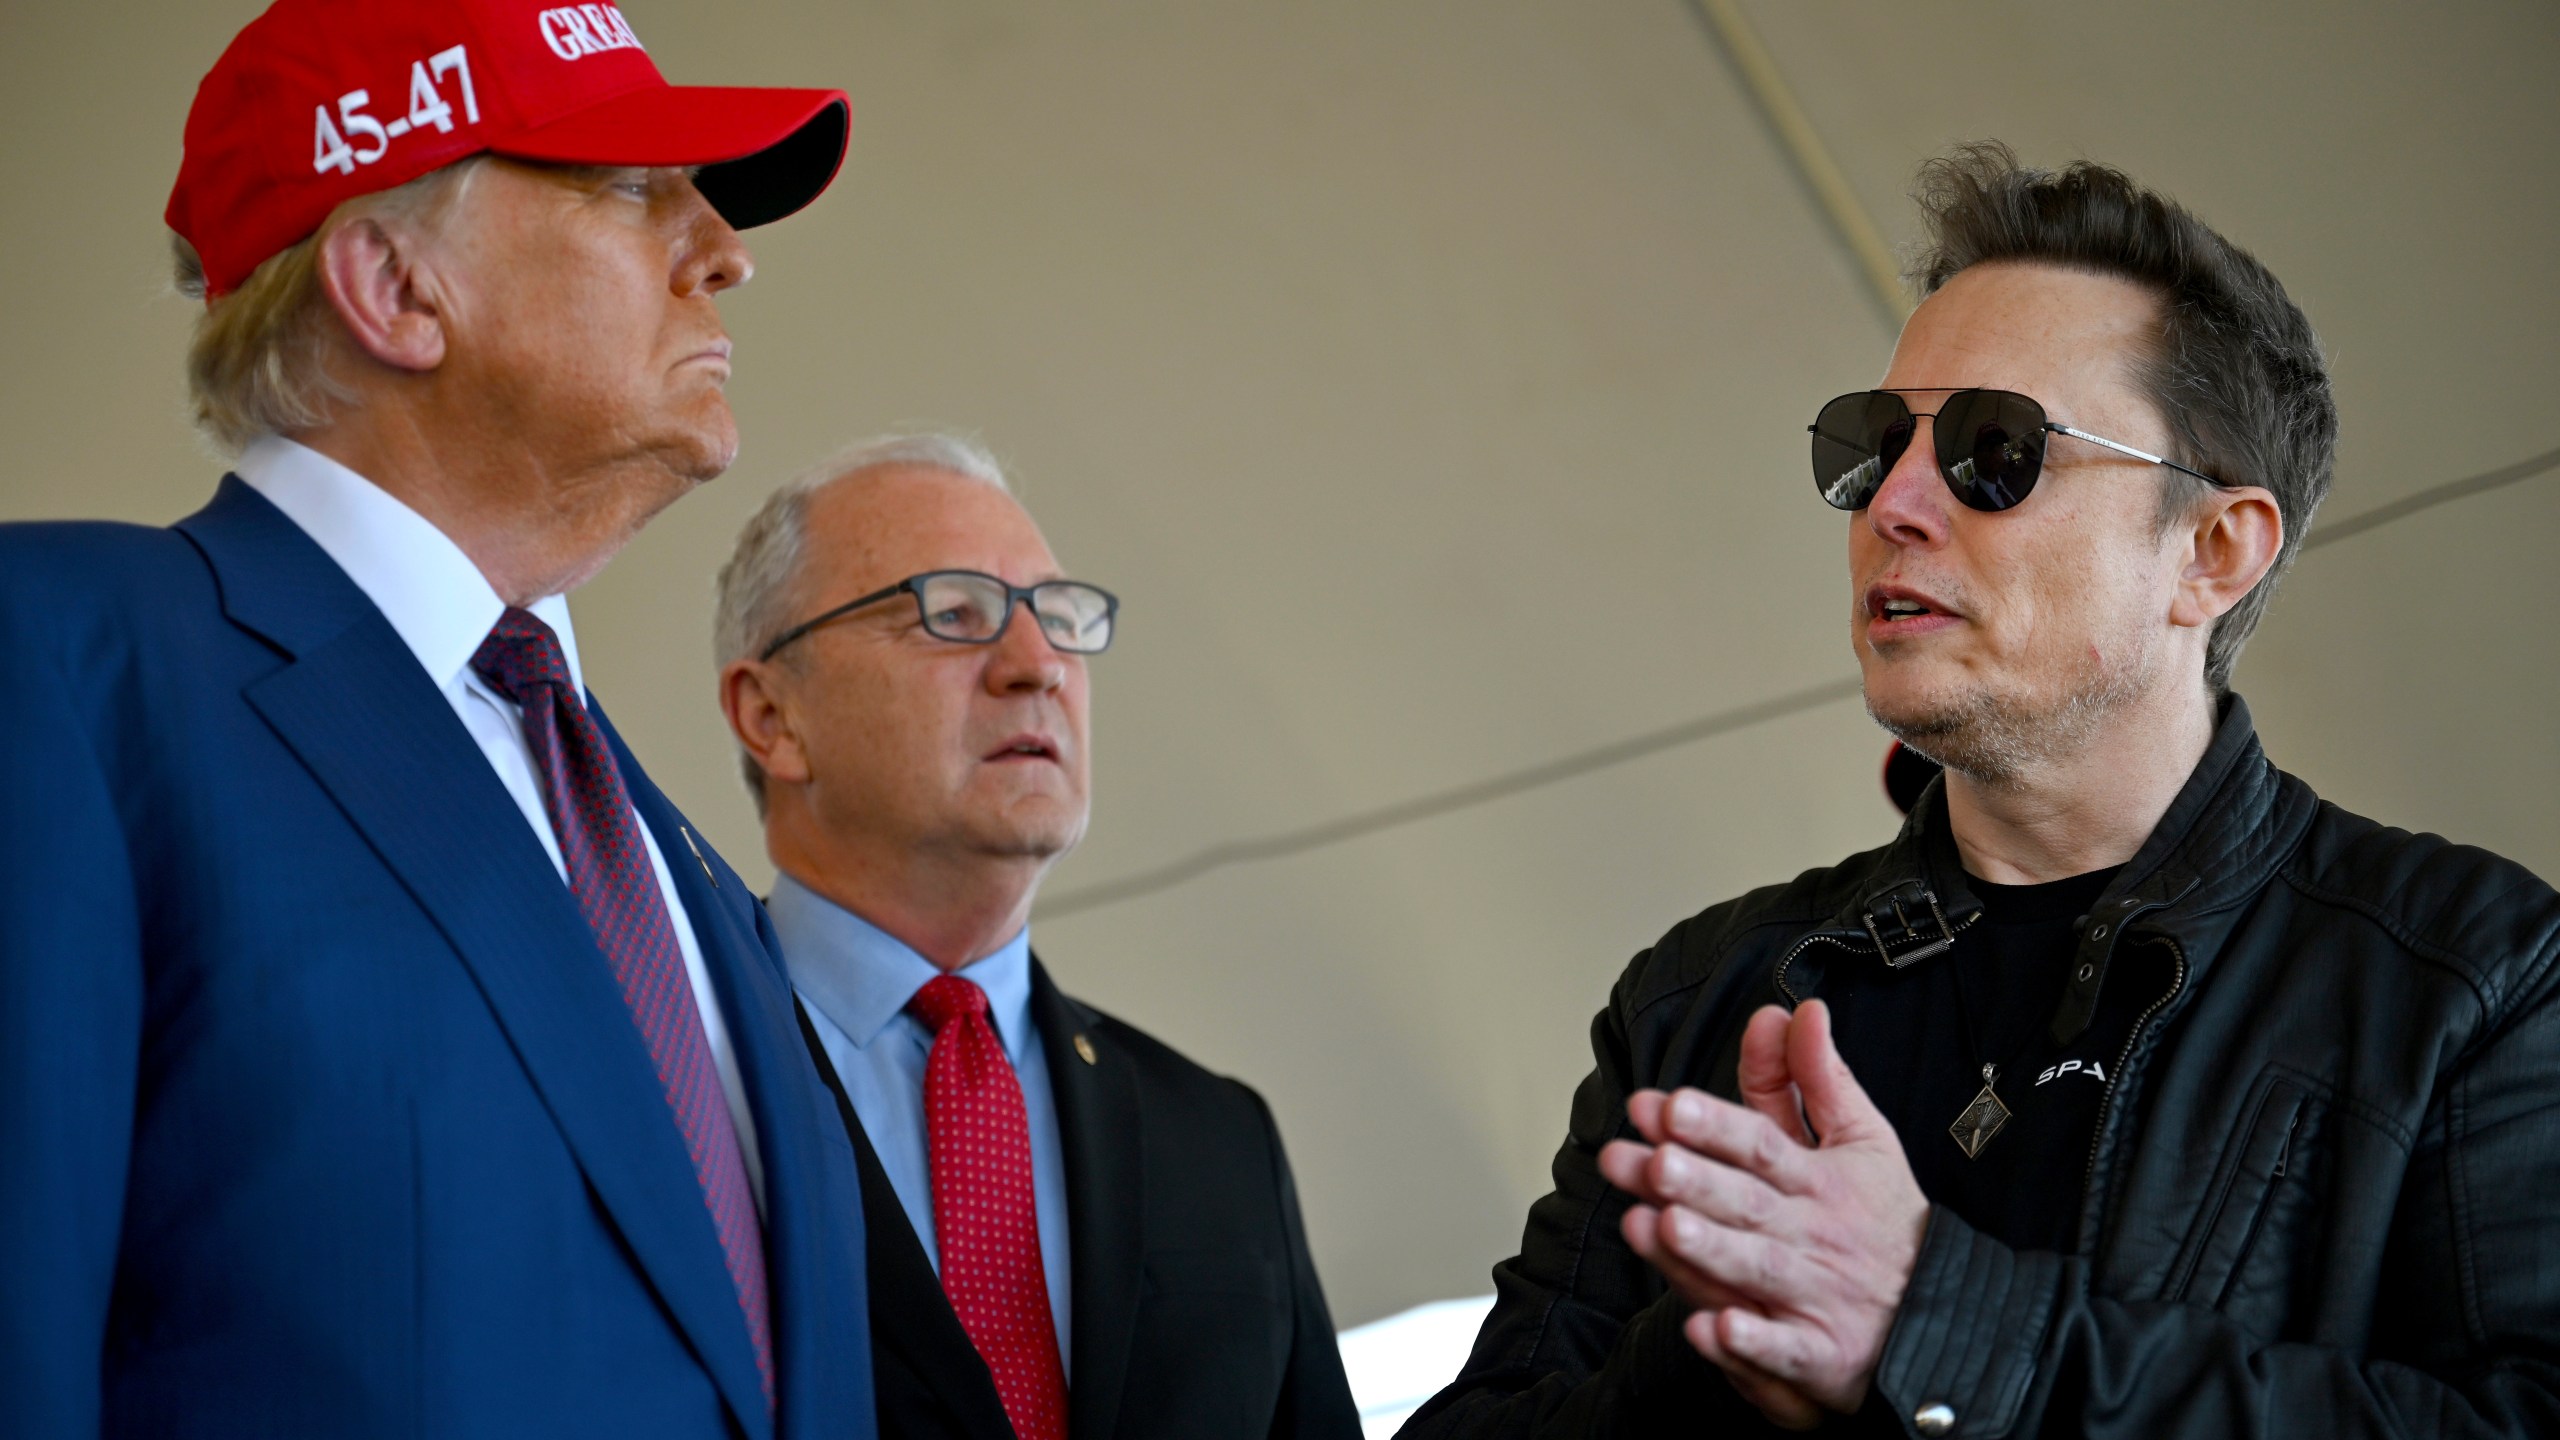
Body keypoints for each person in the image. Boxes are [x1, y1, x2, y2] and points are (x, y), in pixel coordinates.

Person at [1405, 143, 2560, 1436]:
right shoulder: (1703, 997)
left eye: (1993, 451)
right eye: (1869, 445)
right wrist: (1725, 1344)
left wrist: (1930, 1323)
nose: (1892, 503)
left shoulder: (2476, 979)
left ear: (2213, 553)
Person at [0, 2, 875, 1434]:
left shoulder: (672, 859)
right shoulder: (62, 661)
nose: (725, 251)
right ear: (396, 287)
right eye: (633, 187)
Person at [715, 434, 1363, 1439]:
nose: (1037, 666)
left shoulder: (1220, 1137)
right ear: (772, 716)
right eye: (953, 612)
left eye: (1055, 617)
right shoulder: (665, 1081)